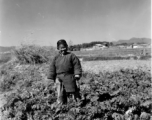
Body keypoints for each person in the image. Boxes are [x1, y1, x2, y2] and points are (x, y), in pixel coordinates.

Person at [47, 39, 82, 104]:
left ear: (67, 47)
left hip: (69, 76)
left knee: (72, 91)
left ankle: (75, 104)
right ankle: (61, 104)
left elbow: (76, 65)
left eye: (64, 47)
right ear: (58, 48)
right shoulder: (56, 57)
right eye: (61, 48)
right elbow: (52, 67)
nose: (63, 49)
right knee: (60, 92)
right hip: (58, 77)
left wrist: (77, 74)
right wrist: (51, 77)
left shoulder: (71, 56)